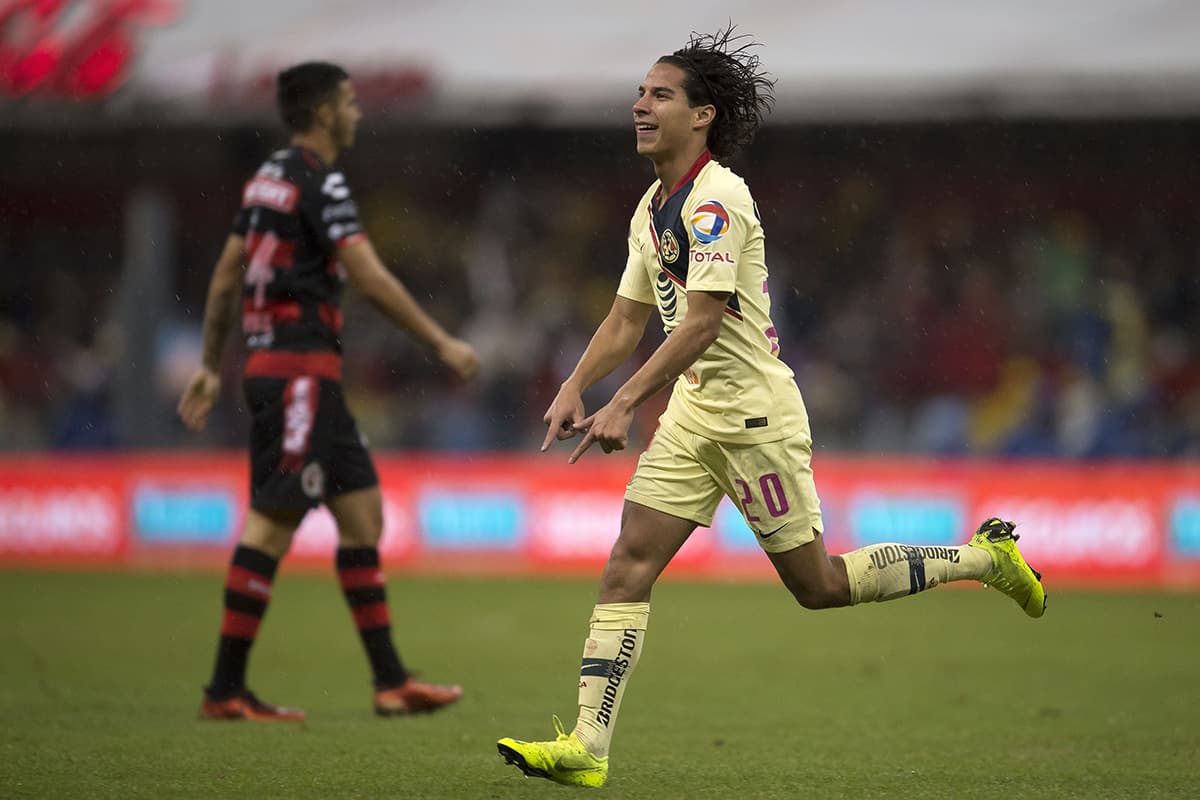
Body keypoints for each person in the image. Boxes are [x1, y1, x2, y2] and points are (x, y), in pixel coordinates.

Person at [496, 27, 1045, 787]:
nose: (639, 106)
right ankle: (588, 746)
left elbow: (702, 319)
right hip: (693, 414)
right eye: (640, 93)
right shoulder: (651, 205)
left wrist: (622, 400)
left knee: (818, 587)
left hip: (755, 417)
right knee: (627, 565)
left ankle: (987, 558)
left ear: (703, 116)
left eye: (659, 95)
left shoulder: (717, 198)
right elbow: (627, 317)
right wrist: (573, 384)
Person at [178, 61, 479, 721]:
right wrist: (441, 342)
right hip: (297, 375)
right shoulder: (321, 181)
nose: (357, 112)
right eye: (348, 101)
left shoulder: (266, 181)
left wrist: (209, 362)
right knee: (273, 520)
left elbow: (229, 273)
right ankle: (224, 690)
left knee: (362, 514)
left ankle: (391, 682)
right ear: (322, 112)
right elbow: (369, 277)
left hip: (295, 374)